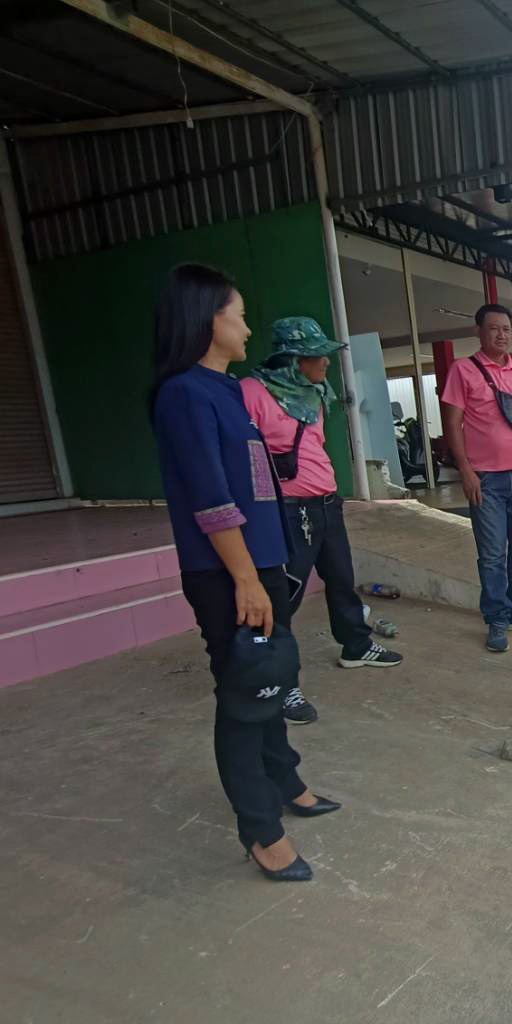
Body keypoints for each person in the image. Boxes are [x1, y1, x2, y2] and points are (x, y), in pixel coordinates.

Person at [150, 264, 339, 883]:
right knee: (244, 694)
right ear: (209, 320)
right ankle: (260, 828)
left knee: (271, 678)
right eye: (240, 315)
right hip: (227, 572)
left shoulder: (231, 390)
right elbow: (211, 500)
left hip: (260, 563)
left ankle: (284, 780)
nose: (248, 328)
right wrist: (247, 580)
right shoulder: (184, 393)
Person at [240, 317, 402, 725]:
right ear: (293, 359)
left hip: (327, 504)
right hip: (289, 509)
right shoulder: (252, 392)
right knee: (284, 595)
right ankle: (278, 682)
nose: (326, 362)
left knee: (342, 578)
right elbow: (243, 455)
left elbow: (315, 445)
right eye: (317, 355)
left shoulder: (314, 393)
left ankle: (356, 645)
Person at [440, 304, 512, 653]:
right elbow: (452, 423)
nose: (501, 335)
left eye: (506, 329)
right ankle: (497, 618)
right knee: (491, 554)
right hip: (486, 479)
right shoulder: (463, 370)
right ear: (479, 331)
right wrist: (466, 470)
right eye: (493, 328)